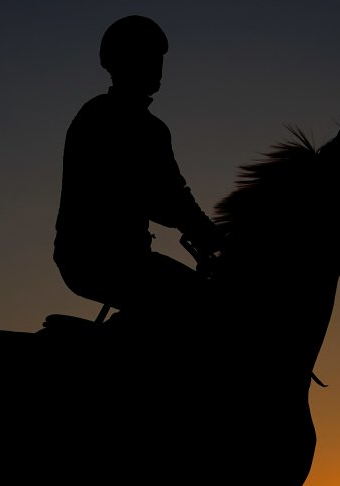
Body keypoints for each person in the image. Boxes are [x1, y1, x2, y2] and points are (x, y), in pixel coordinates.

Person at [53, 15, 223, 324]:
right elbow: (168, 199)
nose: (157, 68)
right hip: (106, 260)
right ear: (124, 61)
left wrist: (206, 232)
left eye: (159, 59)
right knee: (207, 305)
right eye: (149, 57)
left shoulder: (132, 122)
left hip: (113, 258)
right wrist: (212, 236)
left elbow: (171, 196)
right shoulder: (112, 118)